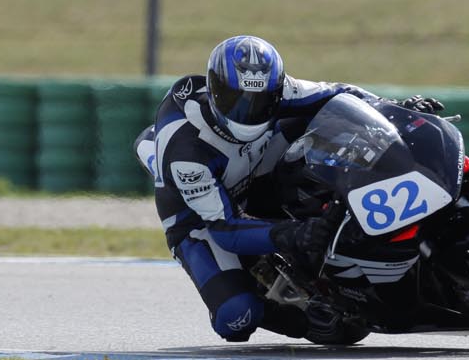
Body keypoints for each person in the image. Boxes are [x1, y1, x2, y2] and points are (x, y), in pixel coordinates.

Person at [140, 34, 441, 343]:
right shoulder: (186, 153)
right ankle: (300, 313)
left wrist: (392, 109)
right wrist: (294, 234)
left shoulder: (281, 91)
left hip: (256, 167)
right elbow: (225, 229)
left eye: (260, 101)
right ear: (215, 90)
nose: (249, 111)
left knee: (323, 118)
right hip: (202, 219)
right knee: (236, 316)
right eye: (237, 101)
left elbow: (339, 94)